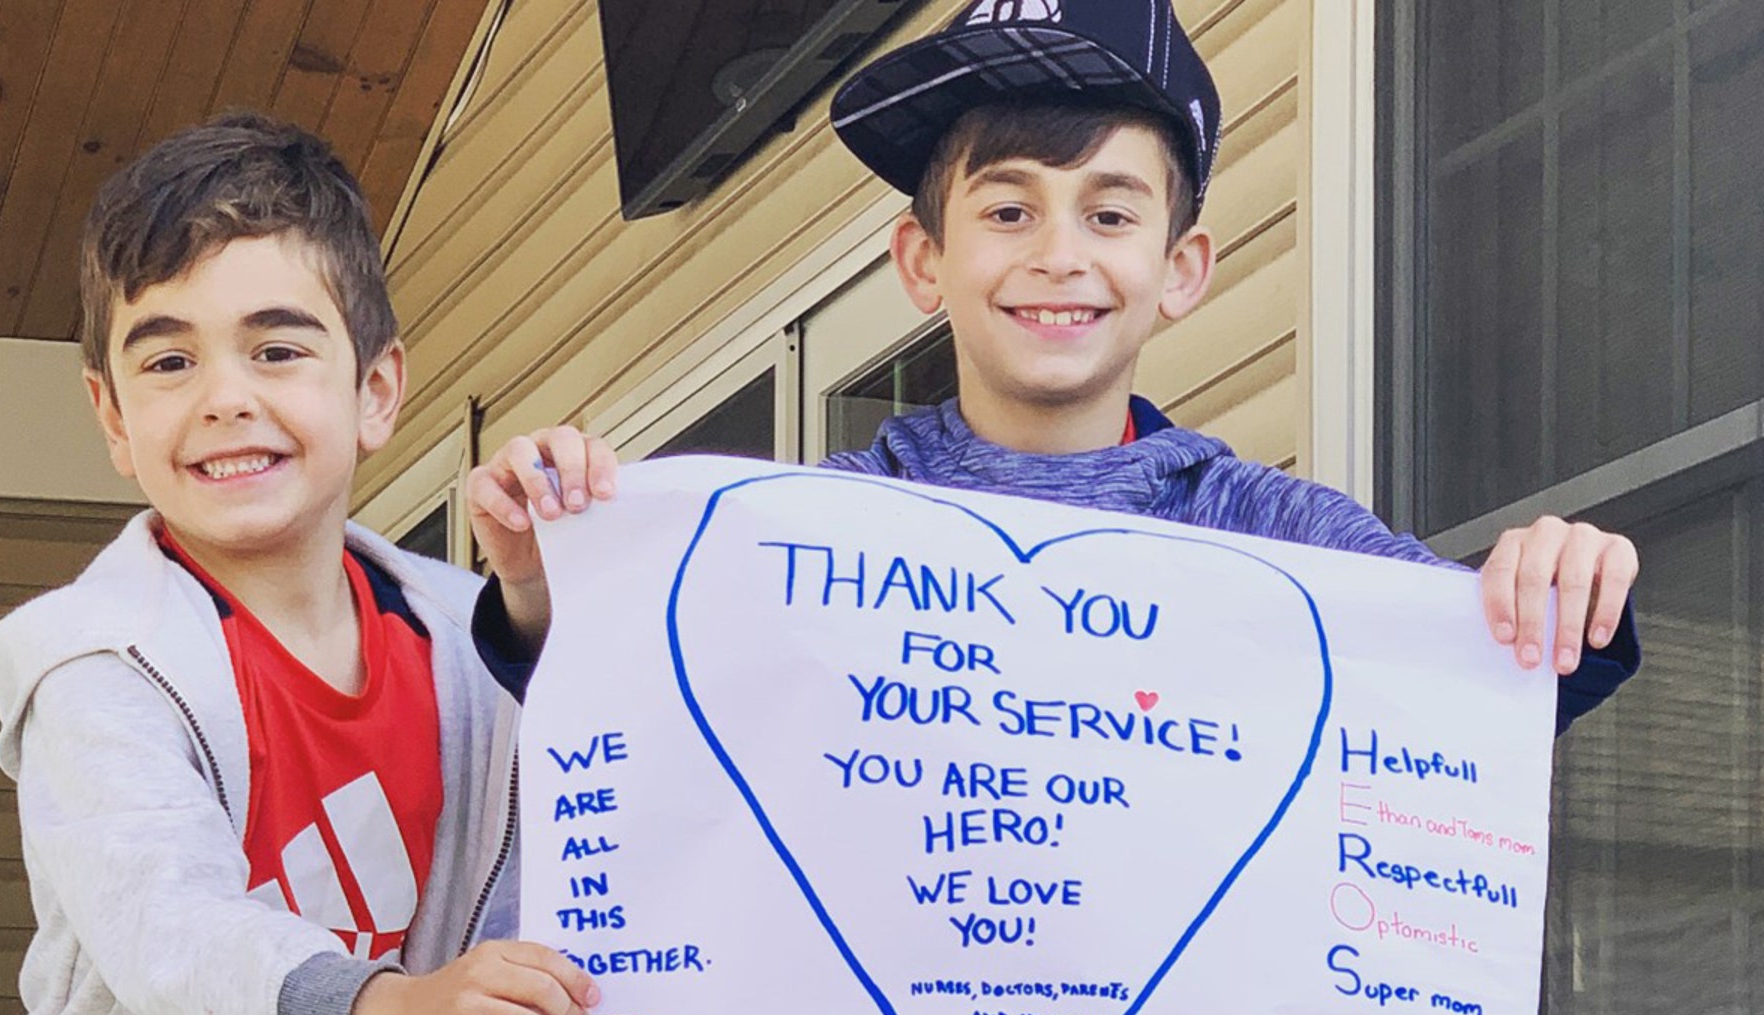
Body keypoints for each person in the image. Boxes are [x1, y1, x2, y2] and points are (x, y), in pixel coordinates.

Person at [465, 0, 1640, 721]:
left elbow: (1484, 689)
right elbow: (622, 704)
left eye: (1112, 214)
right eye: (1010, 211)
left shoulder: (1278, 533)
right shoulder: (821, 528)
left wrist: (1561, 590)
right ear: (923, 261)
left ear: (1182, 269)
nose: (1061, 257)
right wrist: (535, 577)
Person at [0, 114, 595, 1015]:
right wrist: (391, 1007)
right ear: (113, 416)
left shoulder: (456, 633)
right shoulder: (96, 666)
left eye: (276, 350)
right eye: (170, 361)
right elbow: (165, 923)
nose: (225, 397)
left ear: (377, 391)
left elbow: (605, 778)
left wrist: (534, 587)